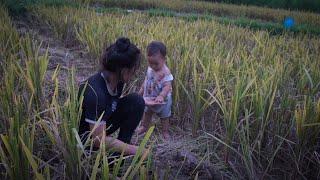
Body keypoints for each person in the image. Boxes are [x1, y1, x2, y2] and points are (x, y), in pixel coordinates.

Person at [78, 37, 145, 155]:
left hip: (102, 123)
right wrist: (136, 150)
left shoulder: (117, 81)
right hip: (86, 138)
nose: (136, 72)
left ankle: (117, 158)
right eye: (134, 69)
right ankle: (112, 159)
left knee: (137, 102)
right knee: (100, 142)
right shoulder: (96, 94)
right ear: (124, 71)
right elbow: (98, 140)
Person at [136, 41, 173, 139]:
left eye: (156, 64)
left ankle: (165, 131)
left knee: (164, 116)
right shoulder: (150, 69)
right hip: (149, 96)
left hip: (163, 100)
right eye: (150, 63)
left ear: (164, 59)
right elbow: (147, 79)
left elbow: (167, 86)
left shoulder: (166, 72)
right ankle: (144, 126)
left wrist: (161, 96)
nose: (152, 66)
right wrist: (142, 88)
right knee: (147, 113)